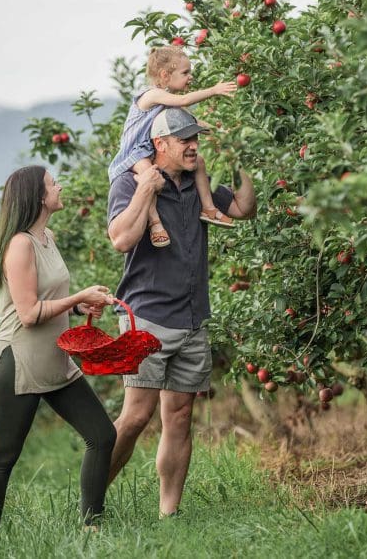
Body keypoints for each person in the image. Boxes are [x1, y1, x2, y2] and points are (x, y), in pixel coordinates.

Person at [106, 107, 256, 517]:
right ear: (160, 144)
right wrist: (146, 191)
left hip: (192, 316)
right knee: (136, 415)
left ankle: (168, 515)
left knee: (180, 414)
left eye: (196, 139)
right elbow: (120, 239)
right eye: (185, 140)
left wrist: (245, 161)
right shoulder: (129, 181)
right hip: (147, 315)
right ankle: (92, 499)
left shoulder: (197, 184)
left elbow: (243, 209)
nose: (193, 147)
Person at [0, 165, 117, 531]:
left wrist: (78, 306)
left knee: (102, 435)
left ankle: (92, 527)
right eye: (53, 183)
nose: (59, 186)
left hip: (55, 357)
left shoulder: (46, 237)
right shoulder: (20, 243)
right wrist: (79, 295)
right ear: (39, 197)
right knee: (5, 456)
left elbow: (47, 297)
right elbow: (28, 313)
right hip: (20, 360)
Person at [108, 45, 237, 248]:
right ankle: (155, 223)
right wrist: (214, 90)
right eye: (185, 72)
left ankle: (209, 209)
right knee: (149, 178)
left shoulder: (169, 102)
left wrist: (223, 134)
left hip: (151, 150)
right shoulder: (151, 95)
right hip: (134, 153)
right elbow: (184, 99)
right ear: (165, 75)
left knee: (200, 162)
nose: (190, 77)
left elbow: (194, 122)